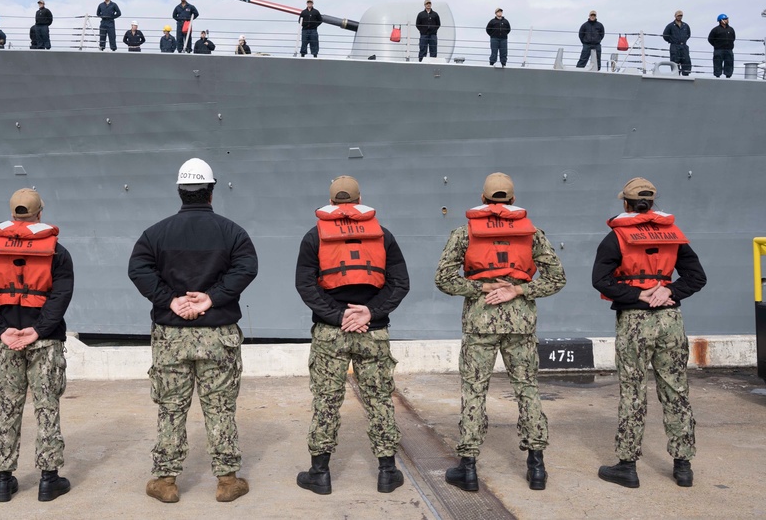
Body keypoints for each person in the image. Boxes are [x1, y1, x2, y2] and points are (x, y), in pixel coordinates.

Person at [127, 158, 258, 504]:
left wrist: (169, 300)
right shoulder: (233, 232)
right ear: (211, 192)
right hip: (218, 333)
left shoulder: (155, 234)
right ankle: (227, 480)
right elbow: (247, 267)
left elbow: (138, 268)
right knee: (220, 406)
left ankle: (166, 481)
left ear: (180, 191)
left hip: (172, 336)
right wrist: (211, 298)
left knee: (171, 406)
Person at [435, 173, 566, 493]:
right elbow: (557, 278)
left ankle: (468, 469)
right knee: (527, 391)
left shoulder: (464, 233)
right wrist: (518, 291)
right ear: (511, 200)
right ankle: (537, 468)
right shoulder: (532, 233)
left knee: (475, 393)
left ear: (483, 199)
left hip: (480, 324)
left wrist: (481, 286)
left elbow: (443, 279)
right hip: (520, 324)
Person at [293, 175, 410, 495]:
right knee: (380, 401)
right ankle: (387, 472)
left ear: (331, 202)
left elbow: (305, 285)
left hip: (331, 333)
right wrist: (370, 312)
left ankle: (320, 474)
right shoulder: (383, 236)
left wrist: (339, 315)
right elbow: (400, 283)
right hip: (373, 333)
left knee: (326, 402)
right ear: (359, 201)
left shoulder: (313, 237)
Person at [593, 178, 706, 489]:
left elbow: (601, 280)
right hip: (670, 319)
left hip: (634, 321)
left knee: (633, 392)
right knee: (676, 390)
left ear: (626, 204)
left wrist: (637, 295)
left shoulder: (615, 238)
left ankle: (627, 466)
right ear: (652, 204)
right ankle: (683, 467)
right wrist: (667, 291)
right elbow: (697, 277)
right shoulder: (674, 235)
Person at [0, 189, 74, 503]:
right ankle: (48, 480)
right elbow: (60, 298)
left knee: (7, 409)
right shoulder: (58, 252)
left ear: (13, 214)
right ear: (39, 213)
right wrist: (38, 330)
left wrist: (1, 332)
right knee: (46, 409)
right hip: (44, 342)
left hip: (7, 343)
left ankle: (3, 481)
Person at [661, 10, 691, 76]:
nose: (679, 17)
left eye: (681, 16)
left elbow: (688, 34)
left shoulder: (685, 25)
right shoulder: (670, 26)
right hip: (675, 46)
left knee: (686, 62)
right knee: (675, 63)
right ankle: (676, 76)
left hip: (684, 46)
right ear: (675, 16)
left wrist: (683, 40)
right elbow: (665, 35)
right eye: (678, 16)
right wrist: (671, 40)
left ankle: (686, 76)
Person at [707, 14, 735, 78]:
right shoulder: (715, 30)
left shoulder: (731, 29)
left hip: (729, 49)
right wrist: (716, 45)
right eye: (725, 19)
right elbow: (710, 39)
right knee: (717, 63)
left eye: (727, 19)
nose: (727, 20)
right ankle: (717, 76)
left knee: (729, 63)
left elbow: (733, 38)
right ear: (721, 20)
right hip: (718, 50)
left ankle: (728, 76)